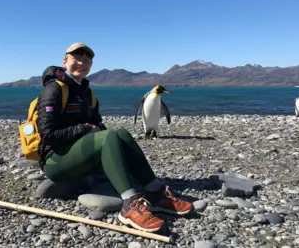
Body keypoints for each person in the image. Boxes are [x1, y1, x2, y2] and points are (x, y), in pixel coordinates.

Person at [36, 42, 194, 232]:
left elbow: (99, 125)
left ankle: (154, 192)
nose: (82, 63)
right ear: (65, 61)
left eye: (87, 60)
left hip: (79, 155)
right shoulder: (54, 90)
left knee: (120, 133)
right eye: (76, 58)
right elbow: (48, 135)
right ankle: (129, 204)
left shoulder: (87, 94)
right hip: (55, 161)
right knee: (107, 136)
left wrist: (93, 130)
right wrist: (84, 128)